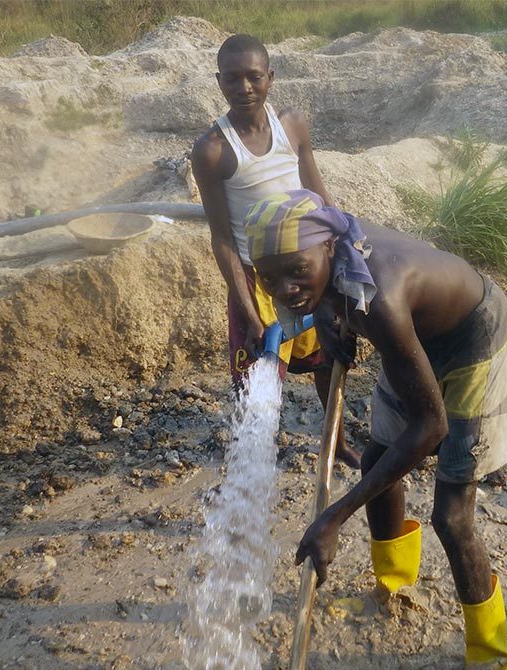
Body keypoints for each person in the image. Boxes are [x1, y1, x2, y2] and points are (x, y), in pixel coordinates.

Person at [244, 189, 507, 667]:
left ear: (327, 248)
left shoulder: (380, 301)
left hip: (474, 332)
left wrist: (335, 516)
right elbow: (325, 290)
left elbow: (431, 426)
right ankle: (393, 587)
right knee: (377, 461)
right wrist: (326, 309)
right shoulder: (335, 250)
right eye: (268, 277)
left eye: (296, 270)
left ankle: (490, 652)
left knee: (452, 518)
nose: (284, 288)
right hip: (411, 337)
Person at [190, 34, 360, 467]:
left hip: (306, 270)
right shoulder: (213, 151)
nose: (243, 87)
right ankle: (252, 460)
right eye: (232, 78)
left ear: (271, 78)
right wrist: (248, 310)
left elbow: (320, 200)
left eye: (253, 77)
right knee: (256, 376)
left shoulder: (292, 127)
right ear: (219, 81)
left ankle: (336, 444)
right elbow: (223, 238)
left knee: (325, 359)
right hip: (258, 277)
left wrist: (342, 258)